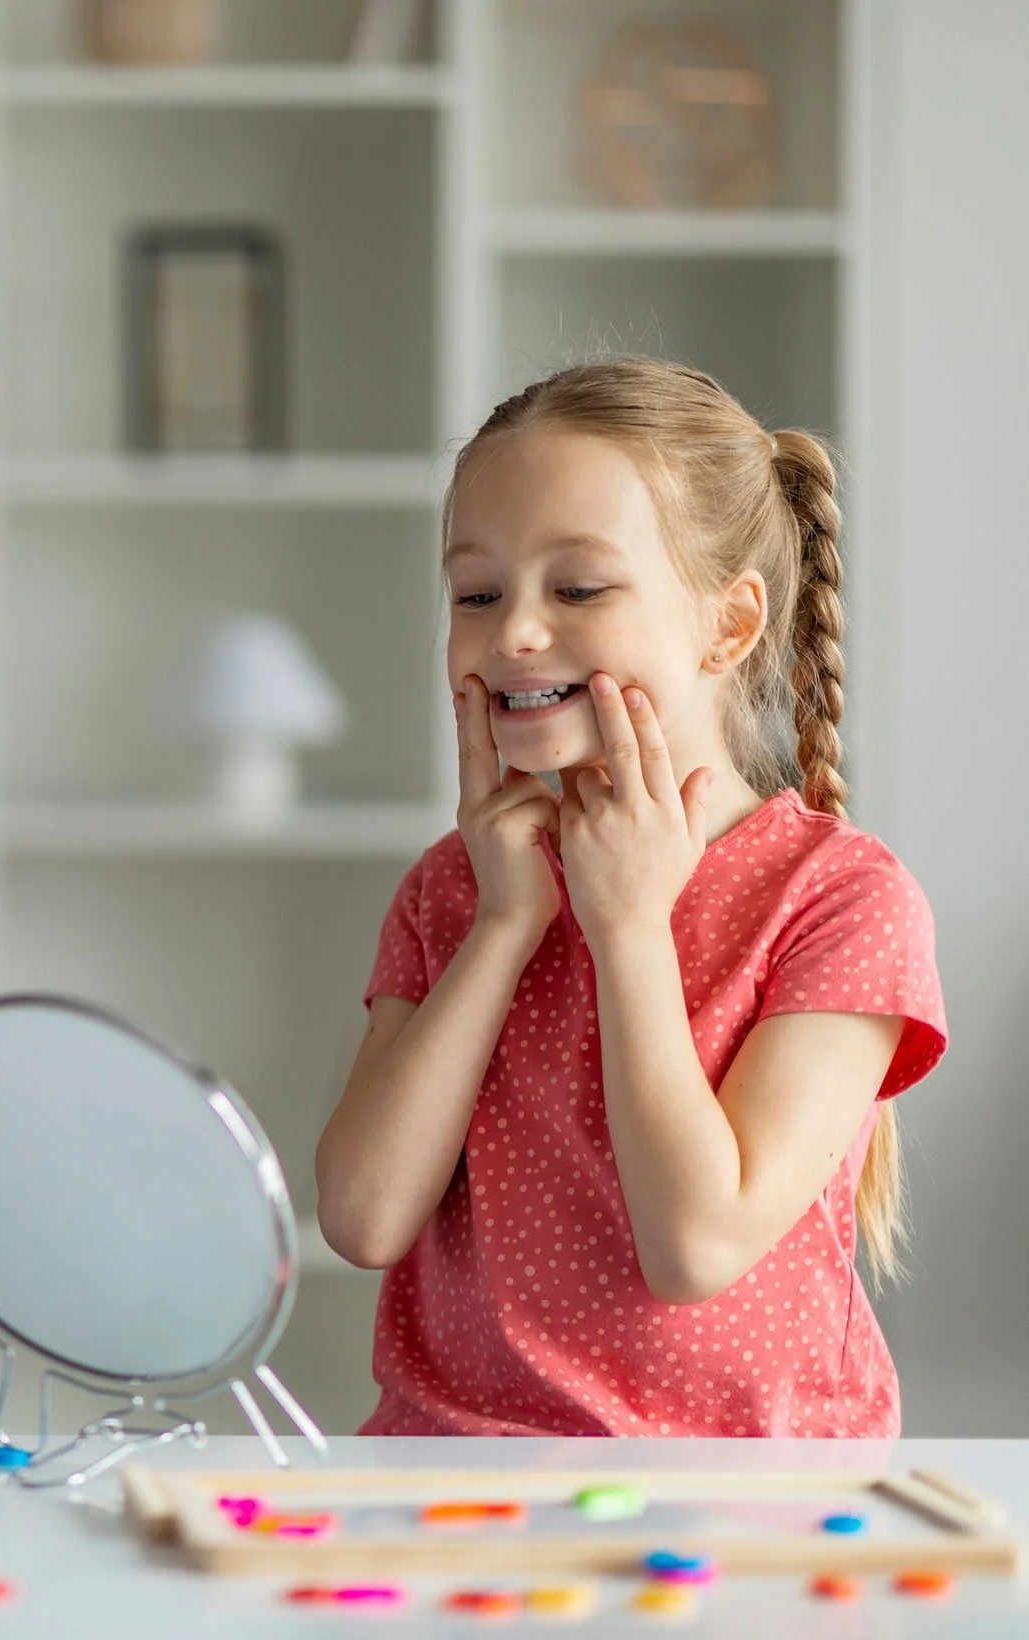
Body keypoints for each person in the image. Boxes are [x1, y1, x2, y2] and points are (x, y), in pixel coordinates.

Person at [314, 358, 947, 1439]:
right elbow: (364, 1216)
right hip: (449, 1476)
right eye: (475, 592)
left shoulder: (841, 897)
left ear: (729, 624)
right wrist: (506, 924)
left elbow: (694, 1245)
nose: (511, 631)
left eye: (577, 588)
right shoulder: (456, 889)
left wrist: (626, 926)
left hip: (749, 1494)